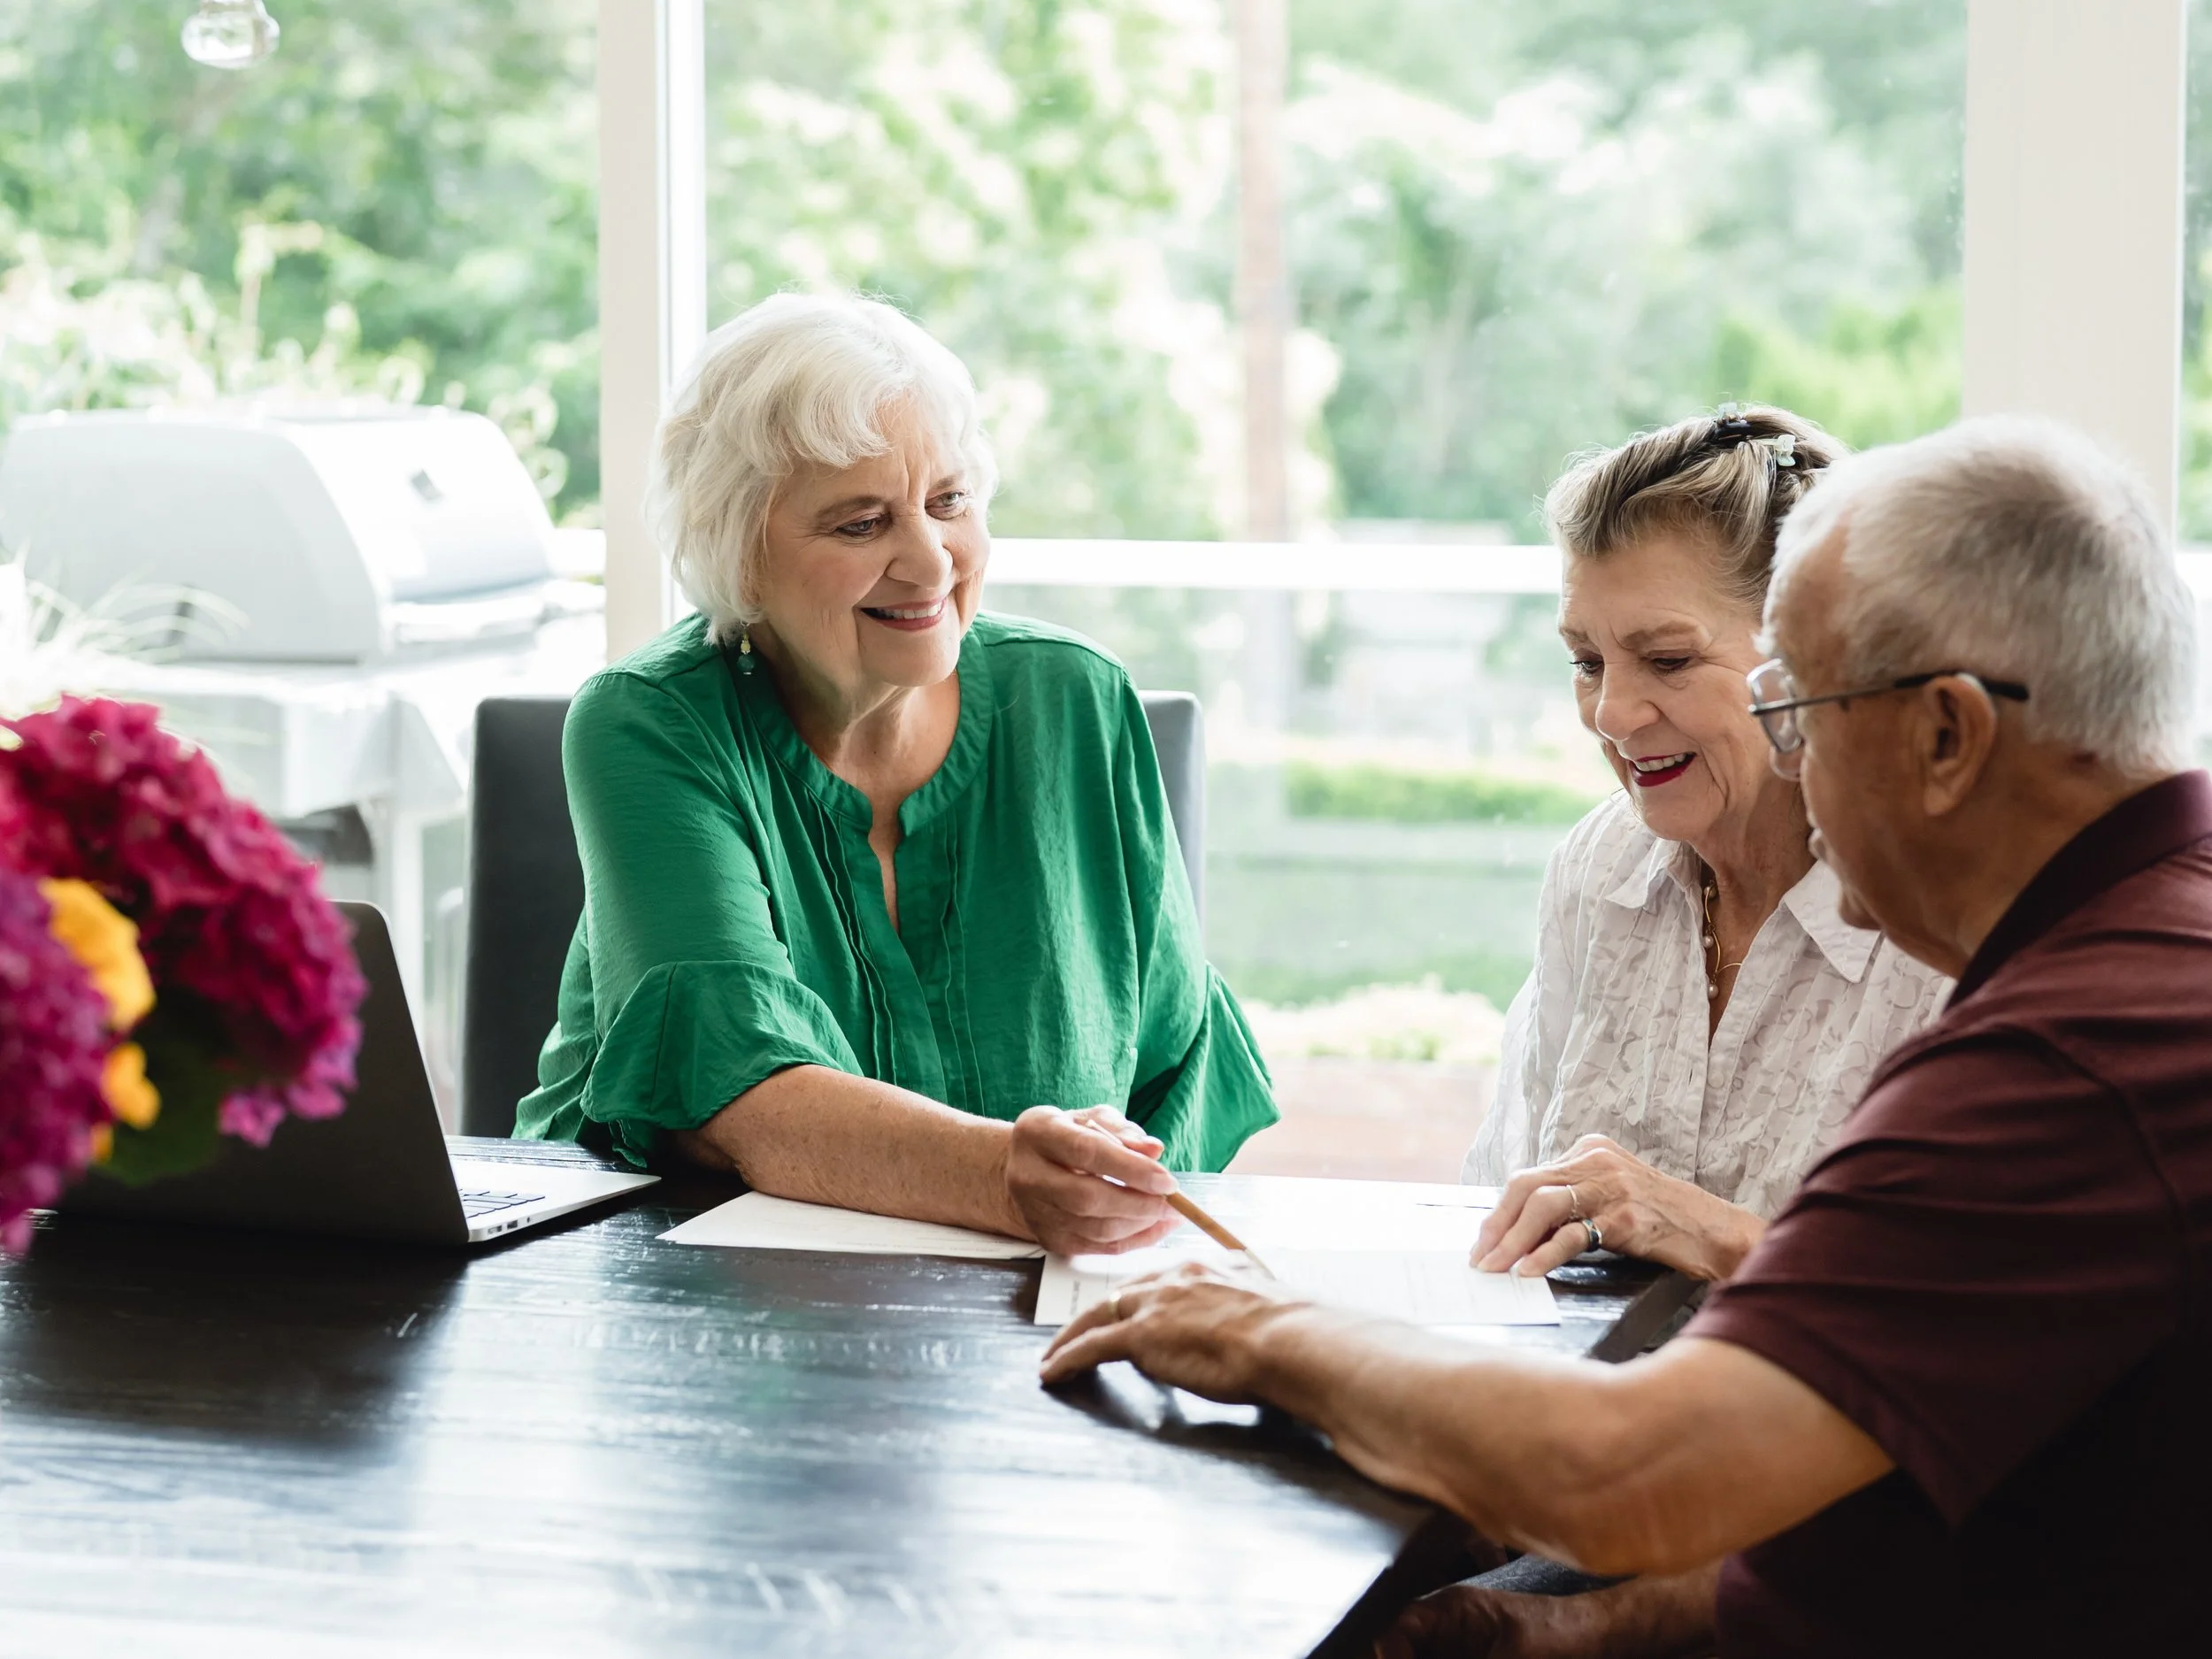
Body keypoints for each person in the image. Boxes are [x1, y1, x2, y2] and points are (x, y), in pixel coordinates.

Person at [1042, 416, 2212, 1657]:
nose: (1792, 763)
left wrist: (1261, 1331)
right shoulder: (2138, 944)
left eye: (1798, 709)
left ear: (1945, 737)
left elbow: (1639, 1471)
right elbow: (1971, 1538)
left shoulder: (2071, 1058)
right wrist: (1587, 1631)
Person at [513, 293, 1276, 1255]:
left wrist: (1114, 1202)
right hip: (681, 1290)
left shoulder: (1076, 700)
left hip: (1040, 1300)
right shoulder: (649, 722)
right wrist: (1008, 1179)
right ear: (737, 549)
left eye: (949, 502)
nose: (929, 562)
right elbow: (734, 1090)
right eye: (861, 523)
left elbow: (1175, 1062)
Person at [1466, 407, 1948, 1284]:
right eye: (1585, 661)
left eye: (1668, 660)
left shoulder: (1938, 920)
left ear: (1813, 655)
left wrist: (1702, 1230)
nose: (1611, 715)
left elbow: (1972, 1314)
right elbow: (1503, 1196)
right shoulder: (1599, 865)